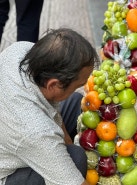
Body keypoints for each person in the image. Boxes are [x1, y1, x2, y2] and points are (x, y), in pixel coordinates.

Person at [0, 28, 100, 185]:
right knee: (76, 158)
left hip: (12, 131)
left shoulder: (21, 50)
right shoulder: (34, 130)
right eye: (78, 85)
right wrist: (60, 155)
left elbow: (53, 110)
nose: (80, 87)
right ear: (54, 84)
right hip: (6, 173)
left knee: (75, 101)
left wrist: (66, 141)